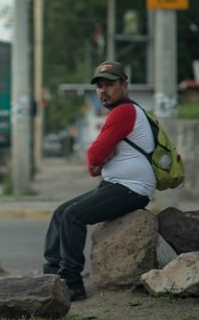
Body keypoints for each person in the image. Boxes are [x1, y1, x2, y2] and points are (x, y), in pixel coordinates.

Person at [43, 60, 155, 300]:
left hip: (131, 189)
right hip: (117, 185)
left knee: (74, 216)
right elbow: (95, 161)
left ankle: (72, 282)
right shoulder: (121, 113)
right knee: (61, 213)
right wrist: (98, 162)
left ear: (124, 85)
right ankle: (50, 275)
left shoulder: (125, 111)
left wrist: (97, 162)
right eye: (99, 86)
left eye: (109, 84)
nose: (103, 90)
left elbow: (94, 156)